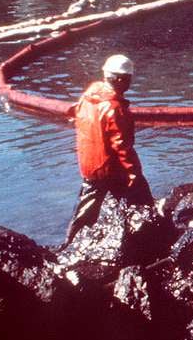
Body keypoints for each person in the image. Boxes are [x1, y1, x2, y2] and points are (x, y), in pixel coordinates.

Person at [65, 55, 153, 244]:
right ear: (121, 79)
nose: (130, 82)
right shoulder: (114, 108)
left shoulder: (90, 95)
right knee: (141, 198)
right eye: (129, 78)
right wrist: (133, 174)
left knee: (86, 208)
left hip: (89, 164)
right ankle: (150, 240)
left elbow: (74, 114)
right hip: (110, 168)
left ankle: (69, 243)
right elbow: (122, 146)